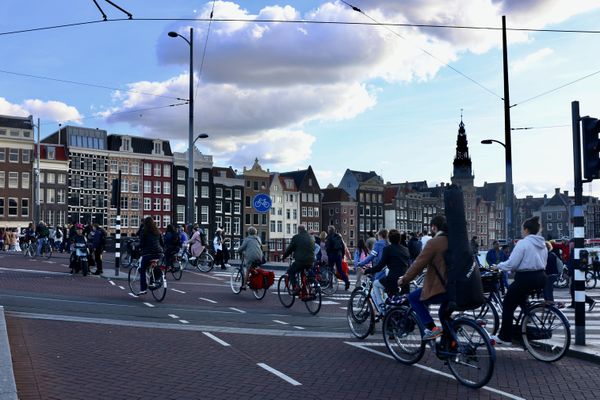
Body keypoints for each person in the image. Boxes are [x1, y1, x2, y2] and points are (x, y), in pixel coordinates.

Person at [491, 216, 548, 345]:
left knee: (508, 305)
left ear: (526, 230)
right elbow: (543, 263)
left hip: (526, 278)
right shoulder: (542, 244)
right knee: (522, 299)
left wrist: (498, 266)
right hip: (541, 277)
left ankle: (505, 337)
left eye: (523, 229)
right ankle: (526, 322)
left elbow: (512, 264)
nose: (522, 232)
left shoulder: (523, 243)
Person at [398, 216, 449, 341]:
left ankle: (433, 329)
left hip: (443, 288)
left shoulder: (434, 243)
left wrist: (404, 279)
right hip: (458, 287)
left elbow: (418, 265)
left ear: (433, 227)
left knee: (413, 298)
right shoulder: (454, 240)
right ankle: (451, 344)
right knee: (444, 316)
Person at [364, 230, 410, 315]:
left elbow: (380, 266)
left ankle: (381, 307)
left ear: (389, 239)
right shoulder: (405, 249)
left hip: (393, 280)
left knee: (375, 283)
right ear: (399, 239)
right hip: (404, 280)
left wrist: (368, 270)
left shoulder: (388, 249)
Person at [282, 225, 315, 293]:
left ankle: (295, 287)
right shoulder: (311, 237)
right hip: (311, 260)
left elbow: (290, 249)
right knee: (305, 272)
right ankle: (309, 286)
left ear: (299, 230)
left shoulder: (296, 237)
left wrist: (284, 256)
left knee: (291, 271)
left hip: (301, 261)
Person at [138, 216, 164, 295]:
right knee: (155, 266)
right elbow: (162, 243)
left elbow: (142, 244)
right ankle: (153, 281)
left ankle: (143, 289)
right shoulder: (158, 231)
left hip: (148, 254)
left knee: (142, 270)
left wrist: (138, 247)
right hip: (159, 253)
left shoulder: (144, 231)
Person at [326, 225, 350, 290]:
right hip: (339, 255)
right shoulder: (338, 236)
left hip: (332, 255)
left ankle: (330, 284)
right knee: (340, 270)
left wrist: (328, 254)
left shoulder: (329, 237)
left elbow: (328, 247)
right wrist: (342, 255)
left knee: (330, 269)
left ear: (329, 230)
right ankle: (346, 281)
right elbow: (342, 247)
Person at [543, 241, 563, 306]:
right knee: (548, 289)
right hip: (554, 274)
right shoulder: (553, 254)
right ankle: (549, 302)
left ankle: (550, 304)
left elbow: (546, 267)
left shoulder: (547, 256)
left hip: (549, 275)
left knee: (547, 289)